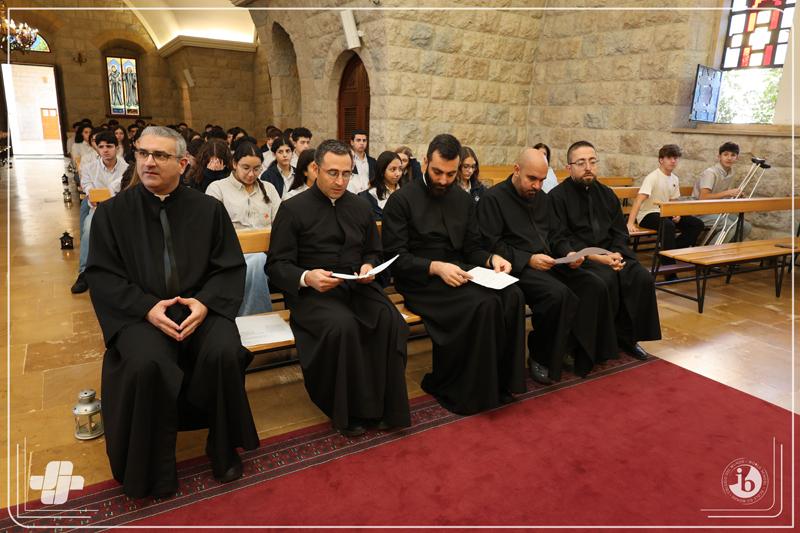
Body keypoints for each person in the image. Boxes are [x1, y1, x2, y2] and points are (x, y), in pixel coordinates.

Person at [85, 125, 259, 499]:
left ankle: (222, 447)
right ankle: (153, 469)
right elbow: (102, 276)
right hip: (139, 312)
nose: (149, 162)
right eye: (143, 153)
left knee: (225, 351)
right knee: (146, 362)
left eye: (160, 155)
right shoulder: (112, 214)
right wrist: (147, 308)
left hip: (198, 307)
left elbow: (229, 266)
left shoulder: (208, 210)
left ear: (182, 163)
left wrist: (205, 302)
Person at [267, 139, 411, 437]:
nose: (340, 181)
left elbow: (373, 250)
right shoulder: (293, 209)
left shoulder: (359, 206)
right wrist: (307, 277)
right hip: (313, 293)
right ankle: (349, 412)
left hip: (357, 287)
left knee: (390, 320)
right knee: (342, 326)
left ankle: (386, 407)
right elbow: (277, 265)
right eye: (332, 173)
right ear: (315, 169)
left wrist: (369, 266)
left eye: (346, 174)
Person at [382, 134, 526, 415]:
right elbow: (395, 259)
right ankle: (463, 389)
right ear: (425, 162)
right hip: (420, 280)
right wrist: (436, 267)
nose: (444, 180)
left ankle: (499, 383)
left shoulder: (462, 199)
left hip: (459, 271)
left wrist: (491, 259)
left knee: (513, 294)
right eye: (437, 172)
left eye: (451, 174)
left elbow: (471, 247)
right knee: (484, 303)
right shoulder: (401, 201)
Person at [478, 148, 618, 382]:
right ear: (516, 170)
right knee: (557, 295)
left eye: (542, 180)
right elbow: (492, 244)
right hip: (517, 267)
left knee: (593, 284)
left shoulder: (542, 198)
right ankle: (540, 356)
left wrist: (569, 253)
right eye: (532, 179)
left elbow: (556, 235)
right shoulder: (493, 199)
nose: (537, 186)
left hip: (550, 261)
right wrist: (528, 259)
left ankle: (571, 348)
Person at [549, 140, 661, 361]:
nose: (588, 167)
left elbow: (619, 230)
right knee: (603, 281)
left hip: (611, 254)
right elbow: (559, 237)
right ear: (569, 167)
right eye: (581, 163)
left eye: (592, 161)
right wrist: (596, 257)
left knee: (641, 277)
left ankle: (627, 338)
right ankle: (597, 345)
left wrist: (616, 253)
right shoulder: (557, 197)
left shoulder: (607, 194)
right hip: (581, 258)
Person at [206, 141, 280, 316]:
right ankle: (257, 317)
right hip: (231, 256)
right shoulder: (218, 188)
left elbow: (280, 224)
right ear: (234, 164)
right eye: (246, 168)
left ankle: (248, 318)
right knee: (256, 261)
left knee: (260, 260)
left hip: (267, 254)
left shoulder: (268, 188)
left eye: (257, 169)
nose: (251, 174)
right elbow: (212, 230)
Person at [627, 144, 705, 265]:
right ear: (661, 160)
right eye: (669, 158)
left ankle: (666, 251)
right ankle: (669, 267)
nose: (673, 161)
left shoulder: (675, 179)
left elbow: (673, 201)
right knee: (668, 225)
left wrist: (677, 214)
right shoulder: (652, 177)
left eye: (675, 158)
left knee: (697, 224)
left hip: (665, 213)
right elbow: (638, 200)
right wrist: (630, 223)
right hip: (647, 215)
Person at [71, 130, 128, 294]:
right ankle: (84, 273)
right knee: (89, 229)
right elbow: (87, 185)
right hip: (97, 208)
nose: (105, 150)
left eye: (109, 146)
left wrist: (106, 193)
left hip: (119, 210)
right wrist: (93, 195)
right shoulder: (89, 167)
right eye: (101, 147)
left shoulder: (126, 168)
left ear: (117, 147)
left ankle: (123, 271)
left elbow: (122, 187)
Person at [692, 141, 752, 243]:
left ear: (737, 158)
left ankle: (728, 250)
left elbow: (724, 196)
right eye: (725, 154)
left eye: (733, 155)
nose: (729, 158)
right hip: (700, 212)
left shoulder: (731, 173)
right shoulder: (710, 173)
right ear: (719, 156)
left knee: (745, 226)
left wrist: (736, 195)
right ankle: (711, 251)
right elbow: (703, 197)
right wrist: (728, 193)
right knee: (728, 225)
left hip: (717, 211)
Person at [358, 150, 402, 221]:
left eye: (400, 169)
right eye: (393, 169)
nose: (398, 173)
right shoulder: (370, 195)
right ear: (382, 171)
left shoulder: (405, 191)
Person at [348, 129, 376, 194]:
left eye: (364, 140)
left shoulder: (373, 161)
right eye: (358, 140)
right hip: (353, 195)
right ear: (352, 142)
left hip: (370, 195)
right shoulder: (348, 160)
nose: (362, 143)